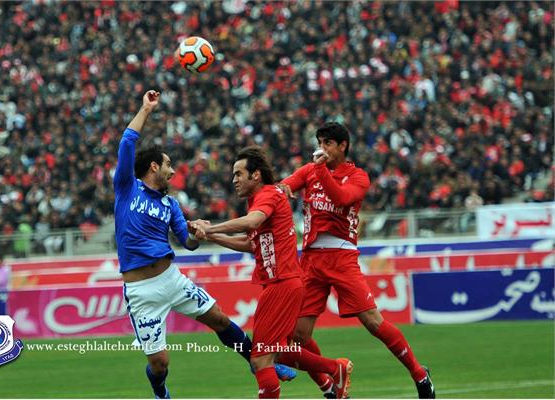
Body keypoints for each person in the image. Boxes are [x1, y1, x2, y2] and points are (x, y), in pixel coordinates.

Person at [113, 90, 295, 399]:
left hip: (172, 280)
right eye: (168, 165)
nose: (173, 170)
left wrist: (199, 233)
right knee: (160, 363)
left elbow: (188, 243)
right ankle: (159, 389)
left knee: (221, 320)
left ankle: (259, 363)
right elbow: (127, 142)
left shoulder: (171, 205)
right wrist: (145, 109)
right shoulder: (127, 188)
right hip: (141, 292)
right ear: (154, 167)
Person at [278, 122, 436, 398]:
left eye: (328, 143)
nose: (322, 148)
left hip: (342, 256)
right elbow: (285, 185)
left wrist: (318, 170)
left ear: (343, 146)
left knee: (373, 323)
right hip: (312, 259)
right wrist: (281, 190)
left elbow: (340, 199)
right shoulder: (310, 171)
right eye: (320, 142)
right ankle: (330, 387)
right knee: (297, 336)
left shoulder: (358, 176)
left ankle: (420, 375)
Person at [193, 146, 353, 399]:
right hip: (282, 283)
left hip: (282, 283)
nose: (233, 179)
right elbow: (250, 243)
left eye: (238, 174)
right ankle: (335, 370)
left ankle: (335, 369)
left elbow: (251, 222)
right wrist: (213, 238)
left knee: (260, 358)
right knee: (275, 351)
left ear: (255, 175)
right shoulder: (260, 199)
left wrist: (210, 229)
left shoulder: (267, 195)